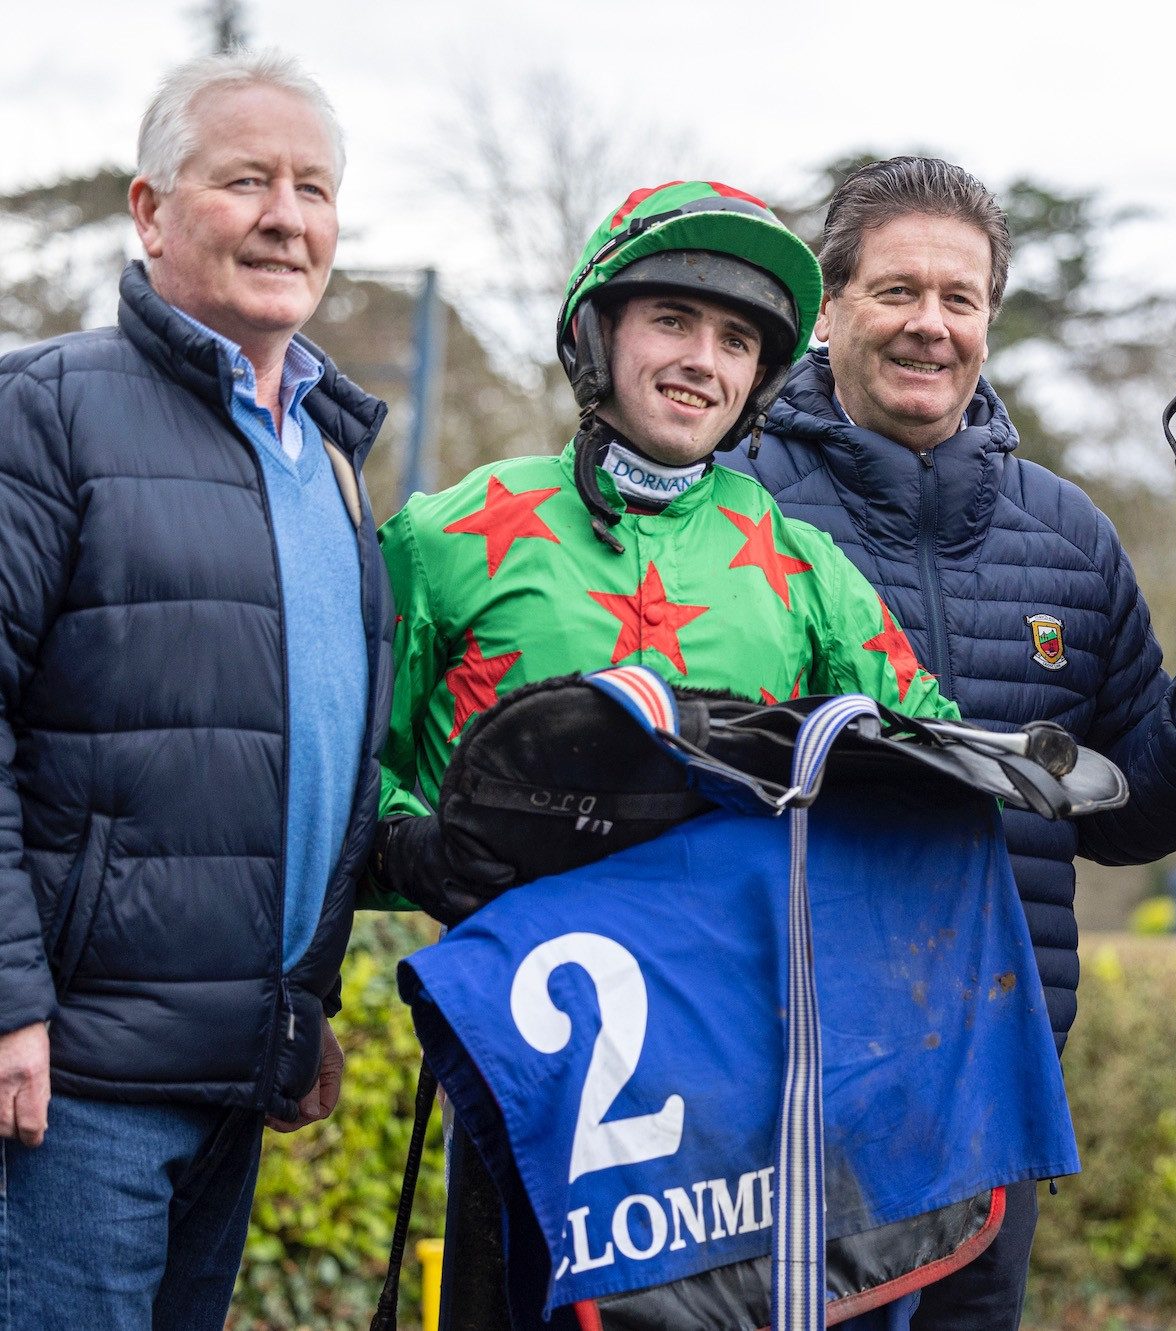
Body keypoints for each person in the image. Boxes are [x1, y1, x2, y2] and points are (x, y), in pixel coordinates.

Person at [368, 180, 956, 1329]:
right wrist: (410, 846)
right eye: (673, 322)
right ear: (598, 336)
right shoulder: (445, 539)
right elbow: (342, 767)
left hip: (737, 1087)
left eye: (737, 340)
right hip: (521, 1070)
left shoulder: (804, 569)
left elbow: (929, 759)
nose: (704, 360)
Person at [733, 156, 1176, 1330]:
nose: (930, 325)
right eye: (897, 291)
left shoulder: (1068, 535)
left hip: (991, 1084)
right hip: (780, 1081)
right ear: (831, 306)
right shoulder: (735, 509)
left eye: (960, 299)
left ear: (990, 321)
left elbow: (1119, 815)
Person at [0, 50, 387, 1330]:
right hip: (75, 1079)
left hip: (236, 1074)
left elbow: (309, 754)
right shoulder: (49, 412)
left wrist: (305, 997)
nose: (289, 215)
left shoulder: (332, 457)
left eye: (315, 188)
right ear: (152, 211)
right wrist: (6, 1004)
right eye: (247, 180)